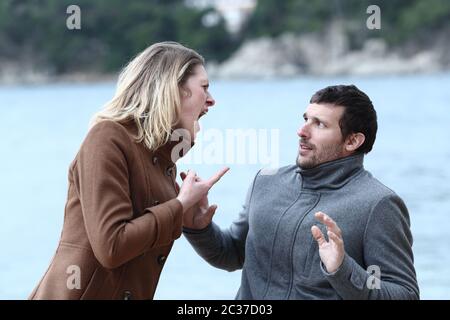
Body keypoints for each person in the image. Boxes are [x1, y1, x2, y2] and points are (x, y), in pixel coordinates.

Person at [29, 41, 228, 300]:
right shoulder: (107, 138)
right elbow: (112, 246)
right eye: (204, 87)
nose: (212, 100)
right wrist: (178, 206)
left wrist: (188, 220)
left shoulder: (163, 161)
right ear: (174, 90)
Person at [183, 85, 419, 299]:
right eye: (306, 119)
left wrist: (342, 269)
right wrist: (198, 228)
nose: (302, 131)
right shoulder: (266, 182)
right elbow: (233, 254)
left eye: (320, 124)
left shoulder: (378, 204)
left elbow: (404, 294)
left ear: (352, 141)